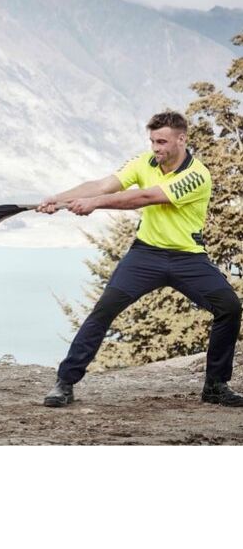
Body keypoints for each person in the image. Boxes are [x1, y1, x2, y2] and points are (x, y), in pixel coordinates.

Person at [37, 110, 242, 408]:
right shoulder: (144, 162)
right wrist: (58, 199)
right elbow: (102, 185)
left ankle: (215, 386)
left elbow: (145, 197)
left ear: (181, 140)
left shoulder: (197, 175)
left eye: (162, 142)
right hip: (145, 255)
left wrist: (94, 204)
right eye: (153, 141)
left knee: (229, 307)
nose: (156, 148)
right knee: (104, 310)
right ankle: (64, 383)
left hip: (188, 257)